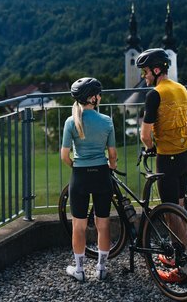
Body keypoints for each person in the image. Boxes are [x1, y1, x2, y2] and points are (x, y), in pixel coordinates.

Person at [136, 48, 187, 284]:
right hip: (186, 156)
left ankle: (182, 270)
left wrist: (152, 147)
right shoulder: (182, 88)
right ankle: (177, 254)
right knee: (180, 206)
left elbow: (145, 134)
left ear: (157, 69)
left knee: (171, 212)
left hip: (168, 159)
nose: (144, 76)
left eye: (145, 71)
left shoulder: (155, 95)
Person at [60, 77, 118, 282]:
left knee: (79, 225)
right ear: (92, 98)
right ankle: (101, 268)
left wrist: (76, 166)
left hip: (80, 177)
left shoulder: (70, 121)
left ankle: (79, 270)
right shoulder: (107, 121)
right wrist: (112, 166)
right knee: (103, 224)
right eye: (98, 94)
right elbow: (112, 154)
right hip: (102, 175)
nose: (100, 97)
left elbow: (64, 155)